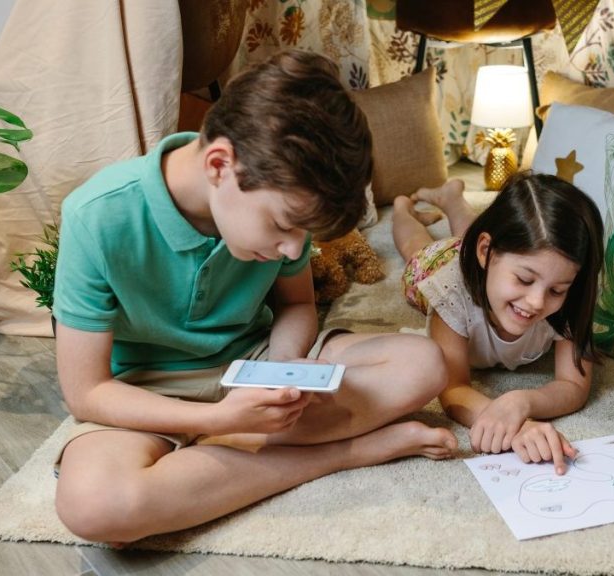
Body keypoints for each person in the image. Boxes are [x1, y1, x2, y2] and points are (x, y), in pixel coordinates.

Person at [51, 49, 456, 545]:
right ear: (221, 165)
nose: (292, 247)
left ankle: (214, 461)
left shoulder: (279, 199)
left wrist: (285, 368)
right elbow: (87, 392)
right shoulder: (96, 216)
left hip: (253, 360)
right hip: (146, 388)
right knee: (95, 507)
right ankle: (342, 453)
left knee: (423, 364)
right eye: (284, 225)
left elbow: (297, 305)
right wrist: (217, 418)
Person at [392, 172, 604, 476]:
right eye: (525, 279)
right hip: (438, 263)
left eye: (556, 290)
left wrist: (521, 402)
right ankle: (401, 209)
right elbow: (452, 388)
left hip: (483, 254)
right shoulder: (450, 289)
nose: (536, 302)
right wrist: (513, 425)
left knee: (473, 233)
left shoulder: (570, 293)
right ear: (485, 252)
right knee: (415, 245)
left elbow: (574, 385)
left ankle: (453, 198)